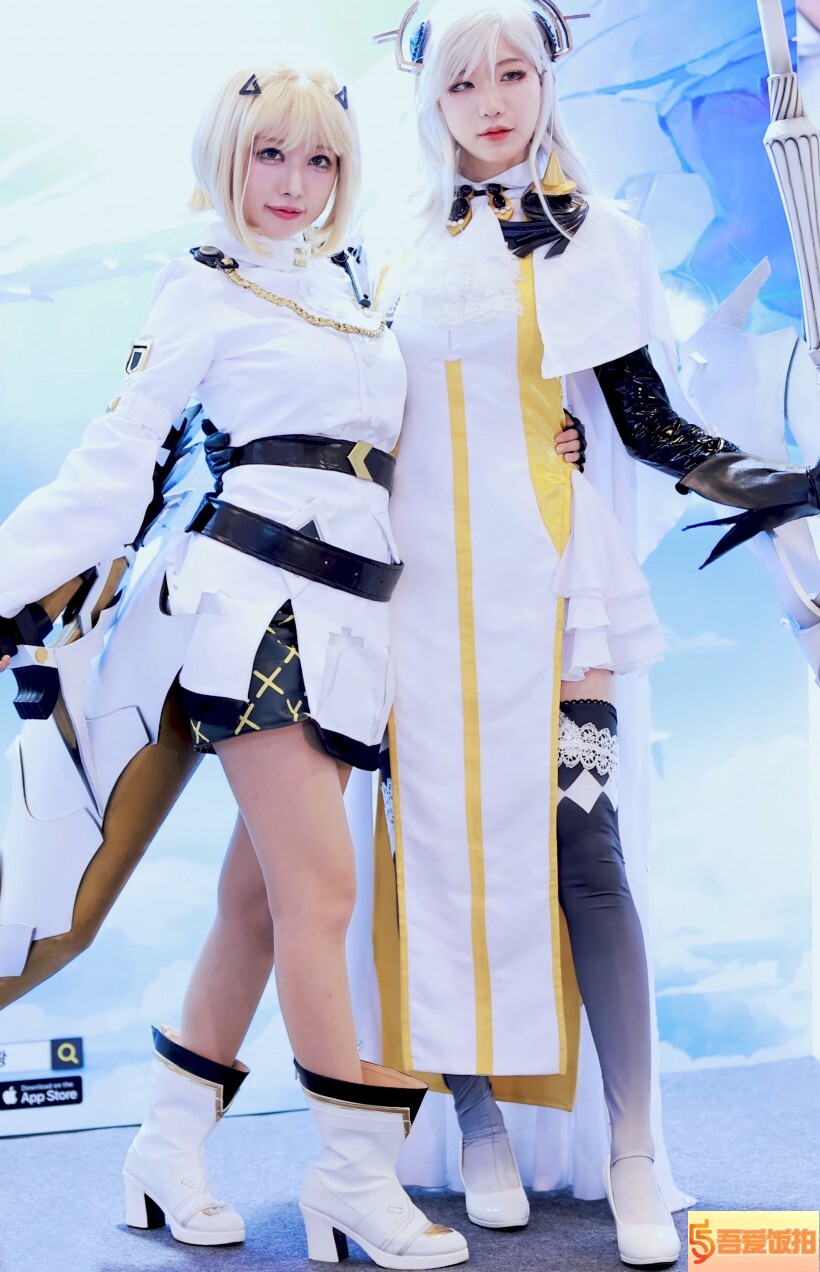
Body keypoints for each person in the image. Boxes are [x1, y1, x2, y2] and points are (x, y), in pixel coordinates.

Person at [349, 1, 820, 1266]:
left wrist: (781, 484)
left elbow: (650, 423)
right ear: (431, 101)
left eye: (512, 73)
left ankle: (633, 1149)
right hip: (420, 608)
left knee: (587, 850)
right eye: (464, 83)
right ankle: (478, 1124)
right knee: (436, 857)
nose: (492, 101)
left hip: (565, 600)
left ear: (545, 81)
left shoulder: (598, 237)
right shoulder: (387, 251)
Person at [0, 59, 471, 1270]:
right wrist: (10, 581)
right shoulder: (198, 286)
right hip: (251, 610)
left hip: (354, 624)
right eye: (271, 153)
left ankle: (165, 1149)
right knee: (319, 896)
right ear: (229, 155)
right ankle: (352, 1175)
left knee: (262, 904)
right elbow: (116, 457)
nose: (294, 182)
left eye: (320, 159)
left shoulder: (349, 288)